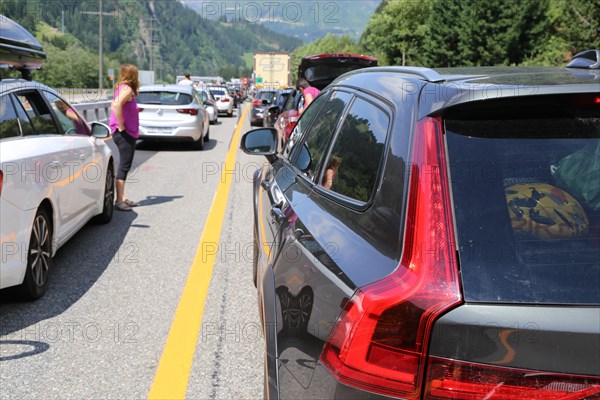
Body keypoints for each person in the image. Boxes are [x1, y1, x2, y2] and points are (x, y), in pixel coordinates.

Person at [109, 64, 140, 211]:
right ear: (133, 75)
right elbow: (115, 105)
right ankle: (119, 201)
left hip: (126, 132)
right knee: (124, 166)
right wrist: (121, 125)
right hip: (124, 133)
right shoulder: (127, 88)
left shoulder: (122, 88)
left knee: (124, 166)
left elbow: (113, 103)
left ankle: (122, 196)